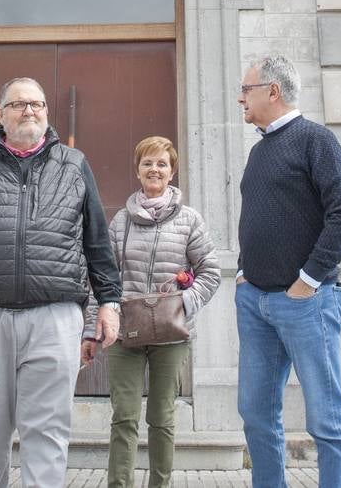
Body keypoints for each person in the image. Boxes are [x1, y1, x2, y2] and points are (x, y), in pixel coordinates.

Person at [0, 76, 122, 488]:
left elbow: (96, 236)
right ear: (0, 115)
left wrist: (108, 301)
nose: (29, 111)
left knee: (48, 433)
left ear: (47, 113)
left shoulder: (74, 164)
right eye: (19, 105)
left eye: (37, 104)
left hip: (54, 319)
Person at [234, 54, 341, 488]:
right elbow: (257, 216)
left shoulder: (317, 141)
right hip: (255, 303)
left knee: (326, 418)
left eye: (246, 90)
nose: (240, 98)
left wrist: (307, 281)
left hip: (306, 302)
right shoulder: (258, 151)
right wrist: (243, 271)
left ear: (273, 91)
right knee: (255, 414)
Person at [83, 135, 220, 488]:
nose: (154, 169)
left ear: (172, 172)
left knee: (161, 418)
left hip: (171, 337)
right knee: (124, 417)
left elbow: (211, 271)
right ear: (138, 170)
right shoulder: (120, 222)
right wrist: (90, 329)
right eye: (147, 163)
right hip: (125, 334)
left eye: (162, 164)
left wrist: (183, 304)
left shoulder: (189, 220)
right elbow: (102, 277)